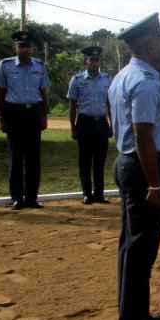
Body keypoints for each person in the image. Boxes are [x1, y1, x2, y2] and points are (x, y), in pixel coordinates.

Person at [109, 12, 160, 320]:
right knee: (141, 247)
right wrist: (154, 184)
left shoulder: (122, 76)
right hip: (143, 167)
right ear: (149, 45)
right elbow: (144, 136)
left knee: (130, 244)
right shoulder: (145, 82)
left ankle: (133, 312)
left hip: (127, 161)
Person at [0, 31, 50, 210]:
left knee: (33, 159)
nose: (25, 49)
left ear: (32, 48)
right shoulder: (6, 65)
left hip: (33, 112)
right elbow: (0, 94)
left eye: (28, 46)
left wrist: (44, 116)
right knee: (15, 158)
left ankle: (32, 198)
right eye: (21, 46)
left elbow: (43, 93)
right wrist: (1, 117)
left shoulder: (39, 66)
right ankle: (17, 197)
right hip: (14, 114)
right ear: (14, 48)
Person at [67, 46, 113, 205]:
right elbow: (72, 105)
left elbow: (110, 104)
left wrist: (112, 125)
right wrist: (73, 127)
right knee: (85, 160)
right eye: (91, 60)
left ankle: (99, 193)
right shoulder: (77, 80)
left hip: (101, 122)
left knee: (100, 161)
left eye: (97, 60)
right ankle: (86, 193)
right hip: (85, 122)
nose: (94, 63)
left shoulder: (107, 79)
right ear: (85, 62)